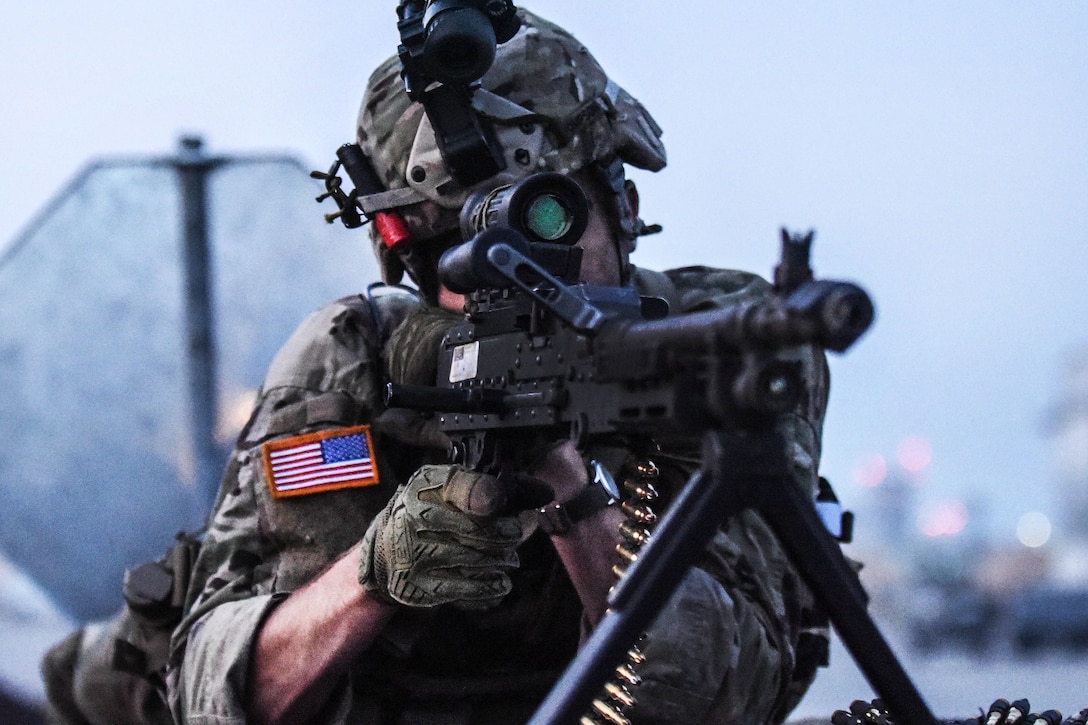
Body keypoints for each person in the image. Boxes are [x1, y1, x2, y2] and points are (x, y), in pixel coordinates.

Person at [165, 8, 831, 725]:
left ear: (624, 204)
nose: (509, 277)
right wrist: (370, 579)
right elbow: (212, 695)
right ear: (411, 266)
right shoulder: (349, 365)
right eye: (460, 244)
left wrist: (569, 490)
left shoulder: (715, 347)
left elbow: (737, 695)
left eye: (550, 223)